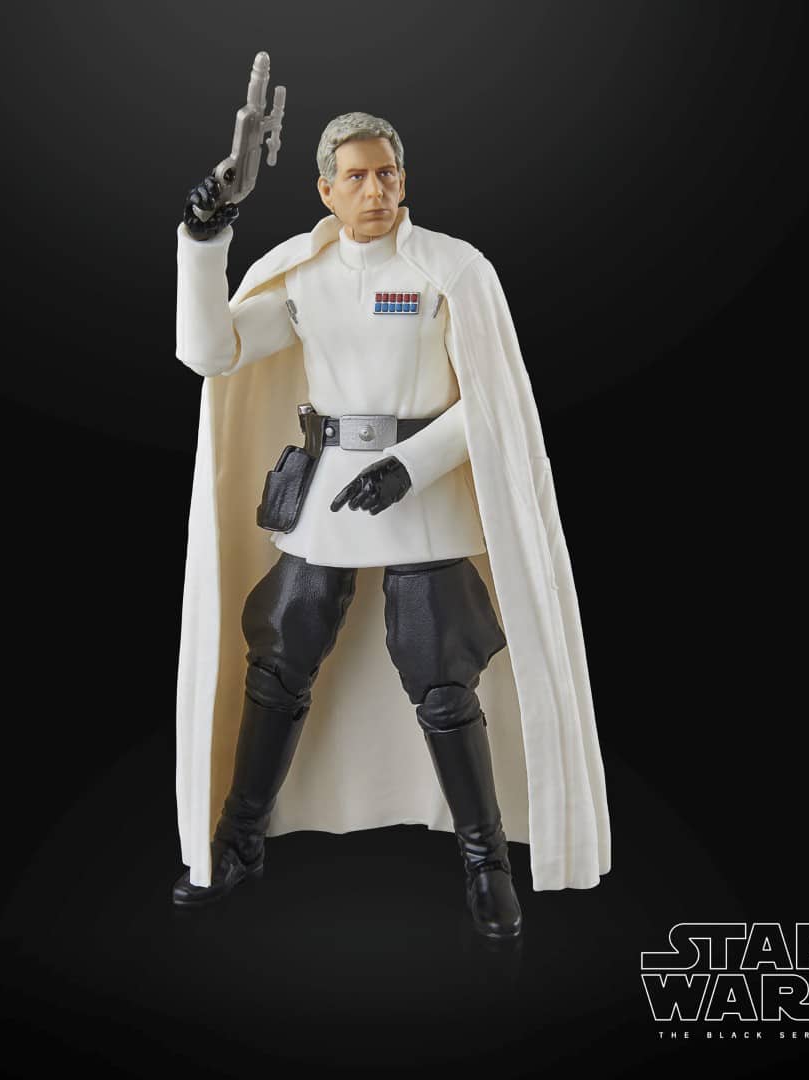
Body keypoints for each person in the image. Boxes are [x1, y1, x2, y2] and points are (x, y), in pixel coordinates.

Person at [171, 113, 610, 939]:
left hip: (419, 489)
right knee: (279, 664)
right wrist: (204, 237)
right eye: (357, 176)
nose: (375, 190)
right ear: (325, 190)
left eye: (387, 174)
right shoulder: (303, 277)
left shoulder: (450, 269)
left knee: (443, 681)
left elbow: (494, 397)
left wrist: (414, 463)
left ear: (403, 180)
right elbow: (211, 353)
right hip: (330, 490)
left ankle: (486, 863)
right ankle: (238, 840)